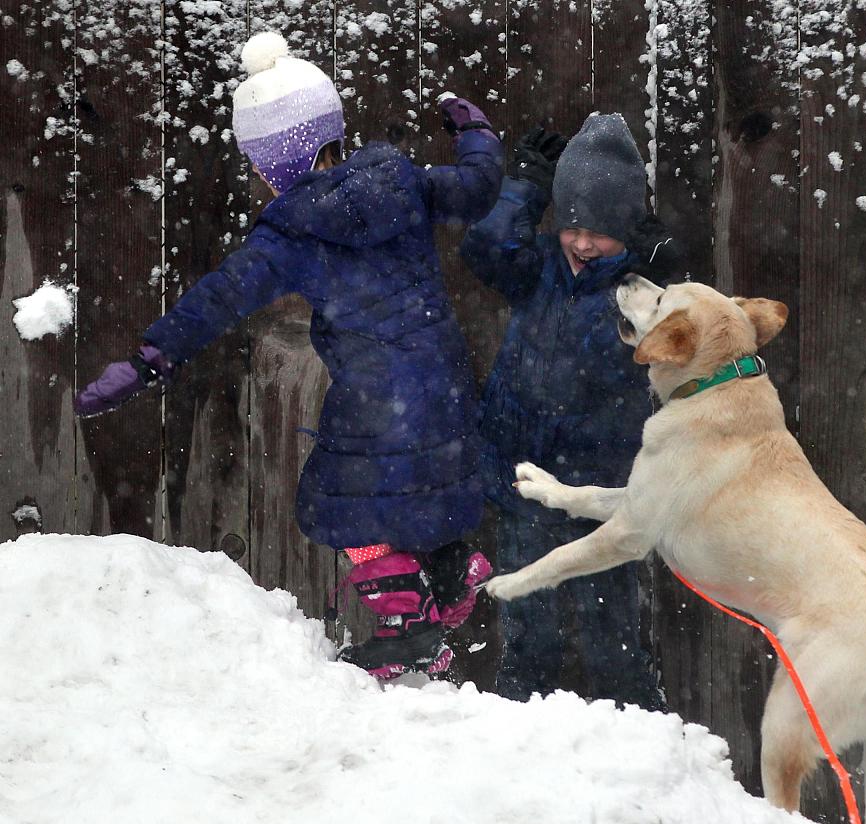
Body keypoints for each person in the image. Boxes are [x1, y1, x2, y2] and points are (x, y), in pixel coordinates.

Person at [73, 31, 502, 680]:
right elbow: (477, 188)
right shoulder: (401, 179)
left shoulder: (293, 232)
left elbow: (219, 299)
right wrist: (477, 133)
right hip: (445, 380)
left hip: (375, 395)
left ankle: (406, 629)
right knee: (423, 482)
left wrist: (150, 358)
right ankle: (450, 570)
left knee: (345, 505)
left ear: (273, 163)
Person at [461, 113, 678, 710]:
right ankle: (517, 744)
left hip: (601, 489)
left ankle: (648, 746)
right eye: (574, 225)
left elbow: (686, 314)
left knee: (614, 643)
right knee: (528, 635)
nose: (584, 243)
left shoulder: (639, 289)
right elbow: (485, 247)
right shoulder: (538, 269)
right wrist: (526, 184)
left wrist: (650, 249)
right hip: (525, 478)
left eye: (602, 231)